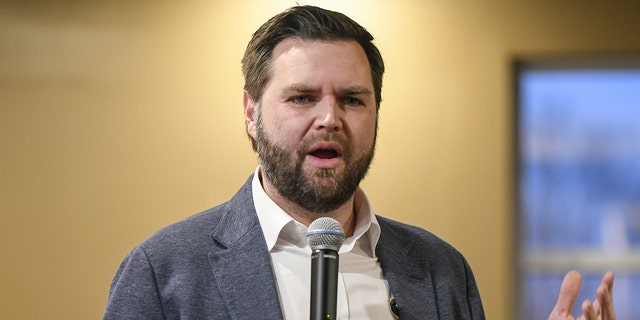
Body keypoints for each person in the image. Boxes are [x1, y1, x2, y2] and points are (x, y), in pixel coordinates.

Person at [103, 5, 615, 320]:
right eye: (302, 98)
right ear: (251, 113)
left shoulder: (440, 271)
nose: (330, 118)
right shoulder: (163, 272)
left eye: (352, 99)